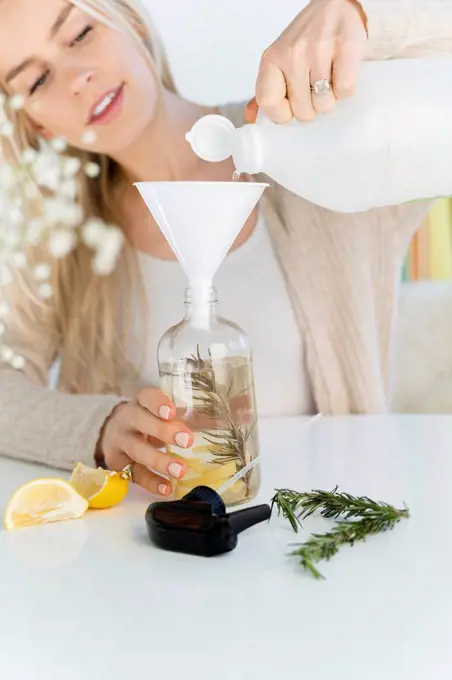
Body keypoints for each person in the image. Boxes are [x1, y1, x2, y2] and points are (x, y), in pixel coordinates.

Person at [0, 0, 450, 496]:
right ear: (36, 123)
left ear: (130, 20)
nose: (77, 78)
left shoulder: (317, 139)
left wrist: (362, 16)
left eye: (81, 33)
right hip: (158, 552)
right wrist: (97, 429)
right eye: (37, 82)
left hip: (337, 525)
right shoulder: (61, 239)